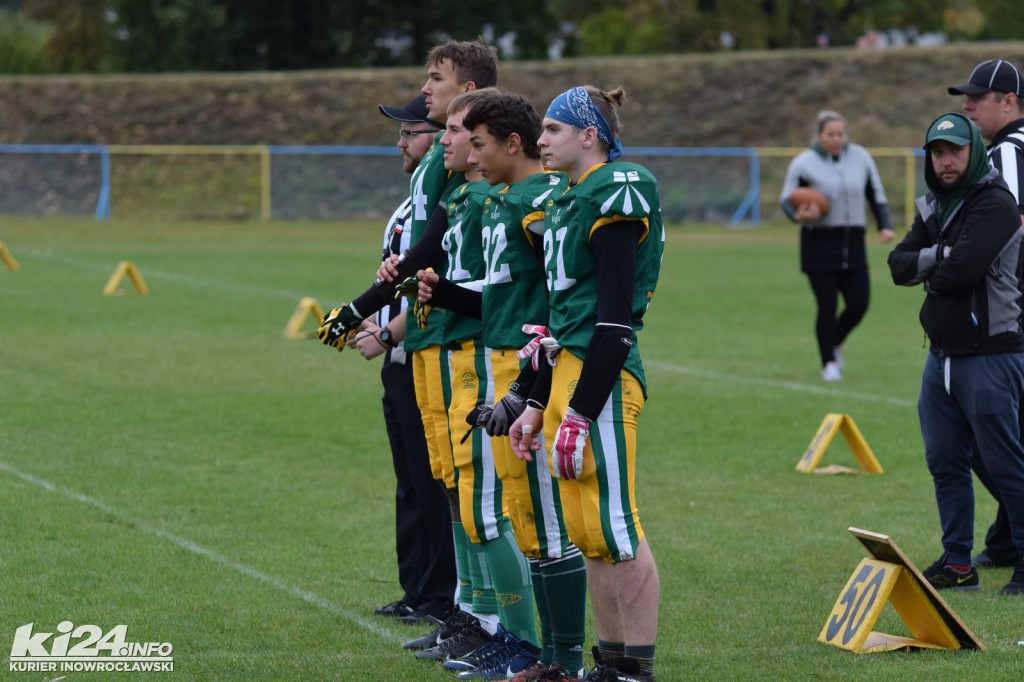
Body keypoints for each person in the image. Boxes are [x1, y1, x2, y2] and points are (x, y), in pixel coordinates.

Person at [316, 40, 501, 643]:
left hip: (470, 348)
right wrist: (360, 310)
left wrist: (376, 317)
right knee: (436, 484)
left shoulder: (484, 185)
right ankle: (451, 610)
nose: (424, 91)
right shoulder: (438, 173)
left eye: (435, 79)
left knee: (472, 493)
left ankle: (486, 621)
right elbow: (421, 261)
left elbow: (451, 271)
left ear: (469, 94)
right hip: (427, 341)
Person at [419, 91, 588, 680]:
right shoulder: (503, 198)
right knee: (512, 506)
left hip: (528, 364)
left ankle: (543, 650)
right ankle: (523, 643)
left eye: (479, 140)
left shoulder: (539, 198)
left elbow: (557, 289)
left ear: (507, 143)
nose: (467, 149)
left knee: (531, 511)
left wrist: (534, 377)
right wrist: (439, 292)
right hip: (499, 355)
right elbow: (504, 295)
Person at [509, 85, 664, 682]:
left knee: (616, 524)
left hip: (602, 374)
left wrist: (580, 409)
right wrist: (538, 401)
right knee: (586, 531)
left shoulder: (617, 186)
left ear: (588, 134)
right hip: (569, 369)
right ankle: (610, 661)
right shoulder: (570, 198)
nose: (540, 140)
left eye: (551, 129)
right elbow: (561, 319)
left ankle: (637, 668)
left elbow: (614, 320)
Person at [888, 112, 1024, 596]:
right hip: (941, 355)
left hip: (990, 354)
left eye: (955, 151)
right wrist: (940, 258)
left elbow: (960, 273)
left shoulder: (996, 204)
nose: (946, 161)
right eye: (937, 153)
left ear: (974, 153)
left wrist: (935, 262)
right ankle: (958, 563)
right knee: (944, 460)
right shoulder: (934, 205)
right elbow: (897, 265)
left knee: (1005, 461)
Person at [342, 95, 455, 625]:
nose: (401, 143)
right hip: (400, 352)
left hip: (424, 351)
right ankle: (416, 589)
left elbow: (438, 282)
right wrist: (372, 320)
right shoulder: (411, 204)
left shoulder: (445, 201)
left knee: (435, 482)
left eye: (411, 133)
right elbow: (398, 278)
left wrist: (385, 334)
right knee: (409, 478)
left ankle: (441, 596)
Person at [948, 58, 1024, 571]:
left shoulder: (1008, 151)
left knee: (983, 435)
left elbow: (1009, 225)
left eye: (979, 97)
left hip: (1006, 317)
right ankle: (1001, 540)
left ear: (1010, 102)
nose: (967, 105)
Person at [780, 110, 895, 382]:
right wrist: (798, 215)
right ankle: (829, 363)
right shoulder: (803, 163)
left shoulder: (861, 158)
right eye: (830, 134)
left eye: (840, 134)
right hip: (818, 243)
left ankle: (835, 341)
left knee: (859, 303)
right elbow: (787, 199)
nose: (836, 139)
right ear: (819, 136)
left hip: (853, 241)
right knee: (827, 305)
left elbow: (875, 194)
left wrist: (884, 225)